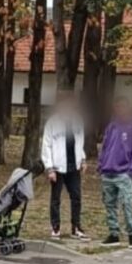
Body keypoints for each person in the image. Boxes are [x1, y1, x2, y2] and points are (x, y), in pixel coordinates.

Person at [42, 90, 88, 240]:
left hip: (73, 166)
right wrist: (49, 168)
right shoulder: (52, 122)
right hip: (57, 167)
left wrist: (83, 159)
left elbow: (80, 143)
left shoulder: (78, 120)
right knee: (56, 199)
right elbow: (46, 145)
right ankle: (55, 227)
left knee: (76, 197)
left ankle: (76, 227)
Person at [98, 98, 132, 248]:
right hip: (108, 171)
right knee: (110, 204)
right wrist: (101, 164)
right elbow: (105, 146)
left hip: (124, 172)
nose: (119, 111)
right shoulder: (112, 126)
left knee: (127, 204)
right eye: (116, 108)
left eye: (122, 108)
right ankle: (113, 233)